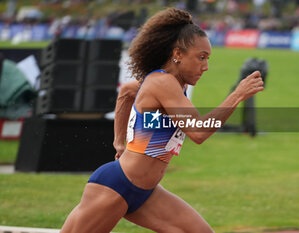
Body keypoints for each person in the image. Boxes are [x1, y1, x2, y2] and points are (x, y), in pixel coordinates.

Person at [60, 7, 264, 233]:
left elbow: (127, 92)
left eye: (208, 58)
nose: (205, 67)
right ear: (177, 54)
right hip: (116, 187)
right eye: (201, 57)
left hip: (147, 192)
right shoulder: (163, 83)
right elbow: (198, 132)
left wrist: (120, 142)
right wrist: (237, 95)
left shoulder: (173, 85)